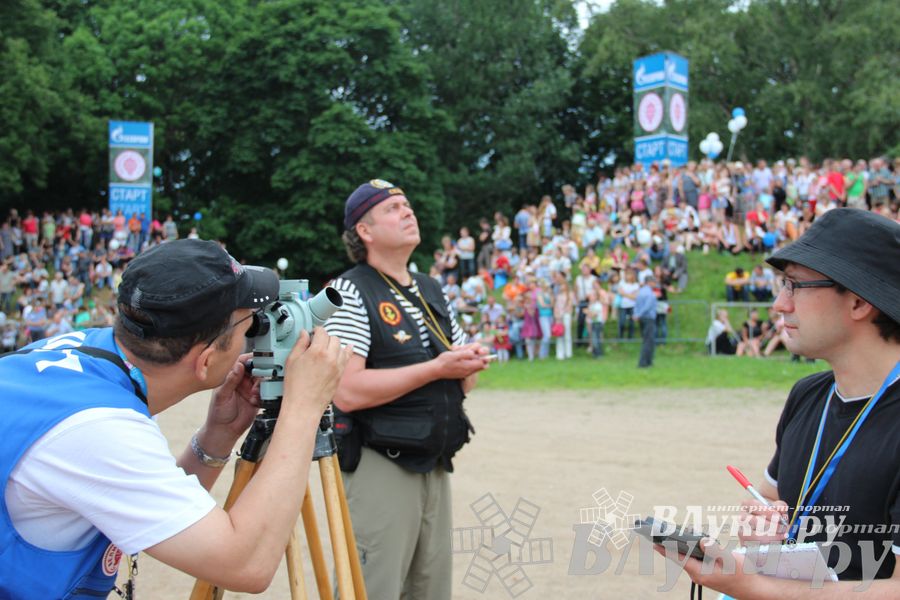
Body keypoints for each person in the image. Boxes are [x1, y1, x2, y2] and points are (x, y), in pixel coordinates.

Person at [0, 239, 350, 598]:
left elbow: (154, 505)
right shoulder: (101, 430)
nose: (255, 333)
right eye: (247, 325)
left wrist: (218, 436)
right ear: (206, 359)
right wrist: (303, 408)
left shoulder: (83, 355)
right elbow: (245, 564)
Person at [675, 209, 900, 597]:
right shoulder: (808, 395)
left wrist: (755, 586)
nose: (780, 304)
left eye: (795, 285)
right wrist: (761, 527)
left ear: (860, 303)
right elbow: (774, 499)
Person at [324, 179, 489, 600]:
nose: (408, 211)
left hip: (434, 459)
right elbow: (347, 391)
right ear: (365, 231)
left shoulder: (431, 289)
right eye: (393, 208)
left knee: (430, 589)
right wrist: (437, 368)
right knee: (373, 587)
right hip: (380, 462)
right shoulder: (349, 291)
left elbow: (458, 383)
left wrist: (466, 365)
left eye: (408, 205)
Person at [633, 274, 658, 368]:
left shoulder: (640, 292)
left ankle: (647, 361)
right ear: (649, 282)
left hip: (642, 318)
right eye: (654, 282)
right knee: (649, 341)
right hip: (648, 318)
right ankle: (644, 362)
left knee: (645, 340)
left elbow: (636, 304)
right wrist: (639, 314)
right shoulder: (650, 293)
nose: (655, 283)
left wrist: (636, 314)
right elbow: (647, 306)